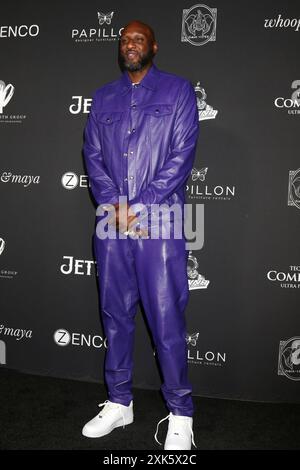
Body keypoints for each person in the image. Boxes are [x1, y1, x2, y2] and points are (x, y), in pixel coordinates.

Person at [81, 19, 200, 450]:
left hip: (161, 220)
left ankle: (181, 412)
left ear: (153, 46)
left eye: (137, 39)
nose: (129, 45)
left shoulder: (178, 90)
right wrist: (114, 203)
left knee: (166, 317)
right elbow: (93, 155)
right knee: (114, 314)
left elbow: (182, 154)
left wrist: (141, 203)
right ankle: (118, 402)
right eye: (124, 40)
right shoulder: (103, 97)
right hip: (111, 221)